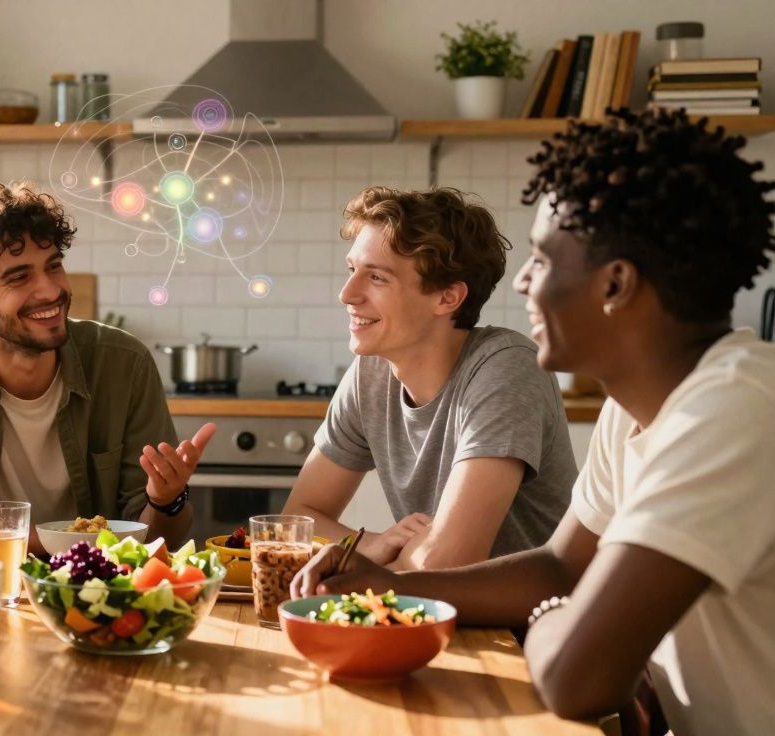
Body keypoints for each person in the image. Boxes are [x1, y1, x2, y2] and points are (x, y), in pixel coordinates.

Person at [293, 109, 775, 735]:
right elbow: (560, 566)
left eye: (545, 260)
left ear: (616, 283)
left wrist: (551, 614)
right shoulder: (632, 410)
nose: (521, 280)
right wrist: (385, 582)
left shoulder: (733, 408)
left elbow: (580, 678)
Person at [0, 180, 215, 553]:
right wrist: (69, 544)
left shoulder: (124, 363)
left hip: (96, 596)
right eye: (20, 277)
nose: (50, 290)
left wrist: (164, 500)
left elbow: (156, 542)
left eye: (53, 266)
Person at [282, 186, 576, 570]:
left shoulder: (507, 369)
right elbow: (297, 522)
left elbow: (448, 562)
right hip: (428, 611)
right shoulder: (371, 375)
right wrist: (370, 544)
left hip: (522, 624)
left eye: (377, 278)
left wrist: (355, 559)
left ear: (447, 298)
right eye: (353, 270)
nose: (347, 294)